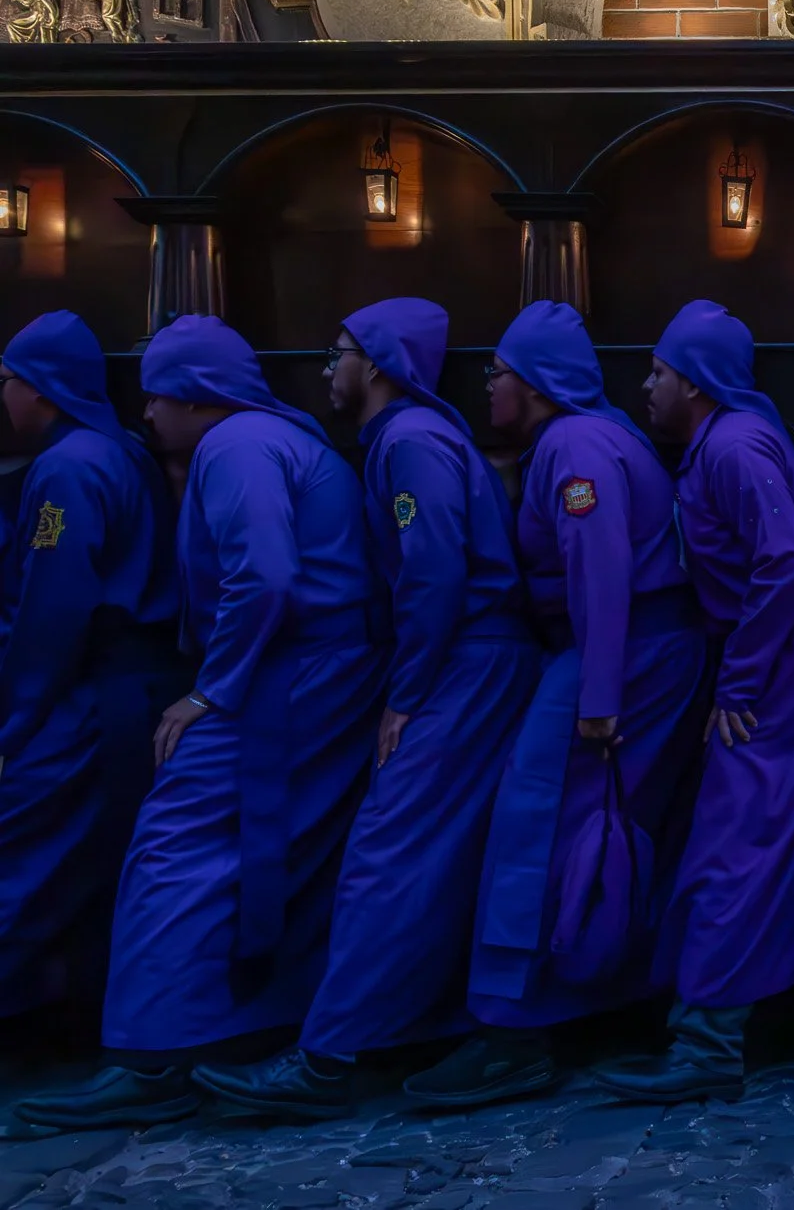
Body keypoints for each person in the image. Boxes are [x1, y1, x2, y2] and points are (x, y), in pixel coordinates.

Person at [15, 316, 384, 1131]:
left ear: (196, 396)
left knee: (170, 849)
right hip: (314, 668)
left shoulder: (235, 447)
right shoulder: (268, 437)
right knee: (274, 845)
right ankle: (232, 1026)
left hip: (286, 672)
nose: (144, 412)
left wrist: (211, 693)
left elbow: (268, 577)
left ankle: (152, 1059)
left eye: (158, 393)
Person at [191, 298, 541, 1117]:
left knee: (391, 850)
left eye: (338, 350)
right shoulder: (400, 439)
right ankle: (385, 1032)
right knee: (419, 849)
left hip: (466, 661)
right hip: (464, 658)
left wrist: (408, 695)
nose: (325, 367)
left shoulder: (412, 439)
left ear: (377, 363)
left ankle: (332, 1058)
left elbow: (434, 574)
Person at [402, 301, 706, 1108]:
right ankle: (586, 1002)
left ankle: (514, 1032)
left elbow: (600, 569)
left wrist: (599, 694)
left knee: (534, 827)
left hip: (617, 652)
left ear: (531, 384)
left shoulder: (573, 446)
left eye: (498, 372)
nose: (487, 385)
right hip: (635, 647)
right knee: (598, 831)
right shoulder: (594, 434)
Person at [590, 299, 794, 1102]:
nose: (647, 385)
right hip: (792, 645)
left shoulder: (734, 443)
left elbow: (785, 560)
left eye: (660, 371)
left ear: (697, 382)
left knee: (737, 839)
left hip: (792, 653)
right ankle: (743, 1019)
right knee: (765, 835)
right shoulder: (727, 439)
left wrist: (740, 681)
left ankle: (709, 1038)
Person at [0, 313, 186, 1033]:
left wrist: (15, 719)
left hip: (90, 695)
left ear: (39, 387)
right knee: (93, 866)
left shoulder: (67, 467)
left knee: (24, 855)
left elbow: (53, 609)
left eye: (6, 382)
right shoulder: (123, 450)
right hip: (134, 686)